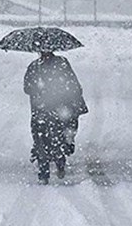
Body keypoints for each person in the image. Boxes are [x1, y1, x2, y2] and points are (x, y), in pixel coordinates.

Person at [24, 50, 87, 184]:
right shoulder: (61, 64)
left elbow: (27, 88)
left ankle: (45, 173)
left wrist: (40, 89)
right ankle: (57, 165)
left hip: (42, 110)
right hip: (58, 110)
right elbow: (73, 84)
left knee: (42, 140)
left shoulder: (34, 66)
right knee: (56, 138)